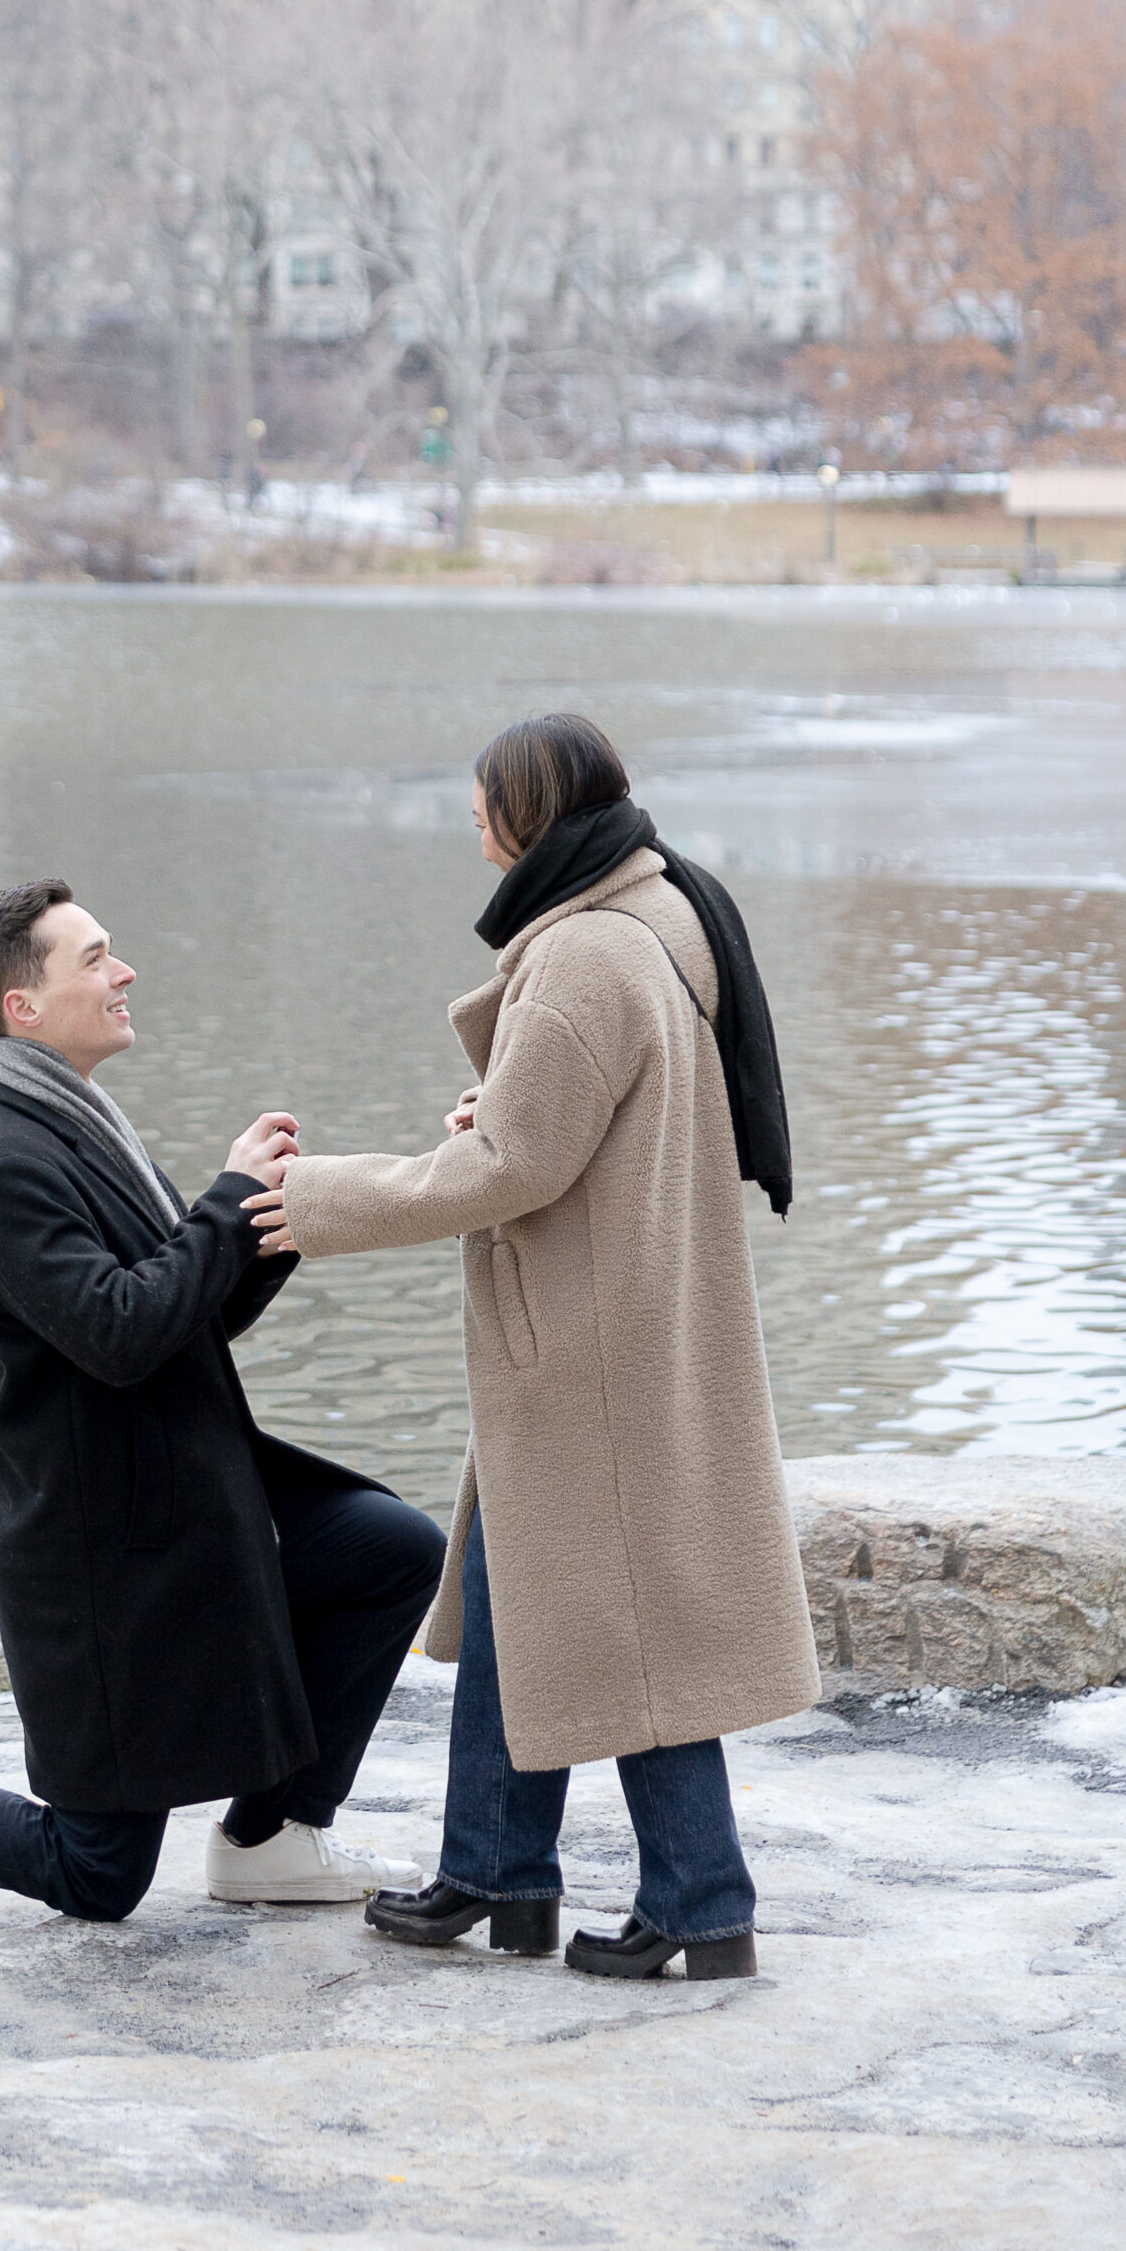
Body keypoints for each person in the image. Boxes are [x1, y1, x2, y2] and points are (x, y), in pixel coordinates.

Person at [0, 879, 444, 1926]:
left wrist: (262, 1222)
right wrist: (225, 1207)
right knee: (95, 1872)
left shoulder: (75, 1123)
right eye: (95, 957)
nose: (124, 970)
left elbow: (174, 1315)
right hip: (106, 1552)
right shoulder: (6, 1161)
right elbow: (119, 1329)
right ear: (25, 1006)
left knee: (385, 1548)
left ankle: (269, 1834)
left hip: (186, 1498)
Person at [257, 715, 820, 1979]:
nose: (471, 822)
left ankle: (701, 1899)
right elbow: (592, 1115)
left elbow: (514, 1165)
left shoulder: (579, 956)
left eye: (482, 804)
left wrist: (317, 1204)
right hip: (623, 1314)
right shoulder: (665, 908)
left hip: (589, 1348)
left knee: (629, 1632)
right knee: (529, 1605)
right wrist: (505, 1104)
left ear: (528, 811)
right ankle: (495, 1869)